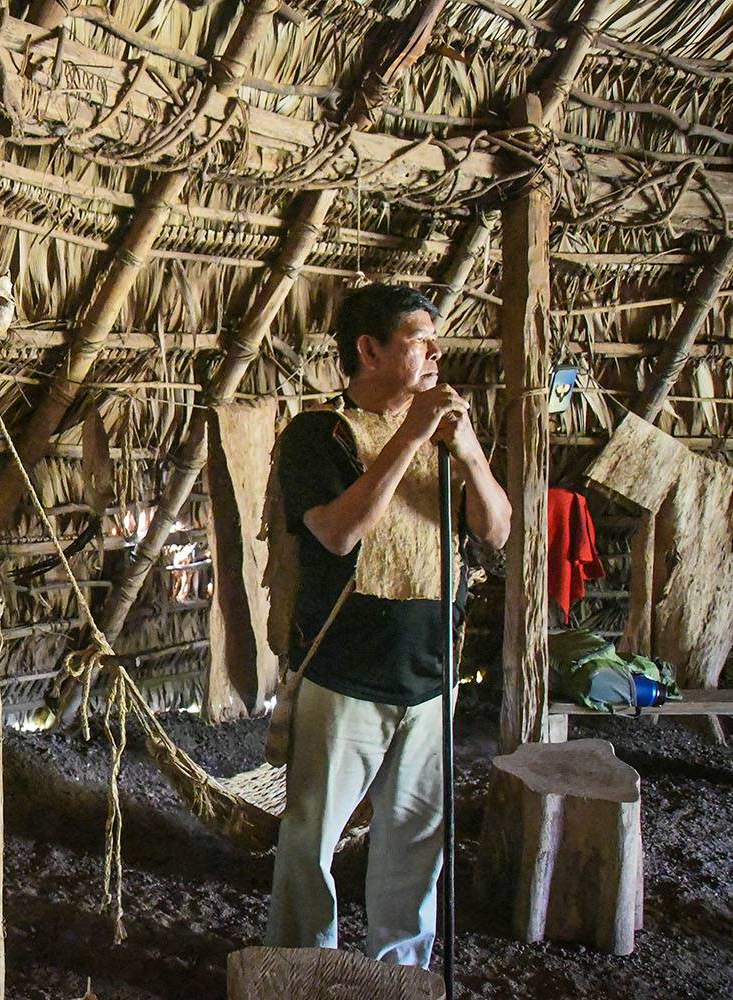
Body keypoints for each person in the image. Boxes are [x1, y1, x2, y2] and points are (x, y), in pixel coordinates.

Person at [263, 283, 510, 966]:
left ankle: (399, 972)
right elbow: (340, 534)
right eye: (417, 339)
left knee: (415, 842)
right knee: (312, 841)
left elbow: (496, 530)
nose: (435, 351)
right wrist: (411, 434)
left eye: (436, 337)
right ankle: (298, 968)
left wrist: (468, 457)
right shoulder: (318, 435)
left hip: (433, 676)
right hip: (345, 673)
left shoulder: (449, 436)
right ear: (369, 351)